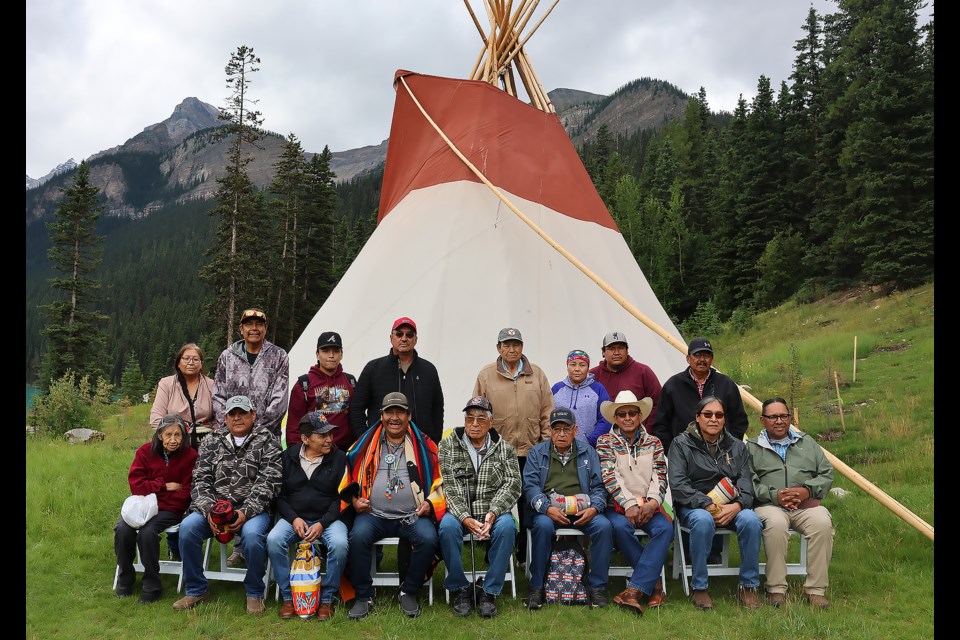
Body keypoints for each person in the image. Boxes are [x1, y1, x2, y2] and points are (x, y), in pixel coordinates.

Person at [172, 395, 282, 614]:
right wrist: (210, 511)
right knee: (187, 529)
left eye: (242, 413)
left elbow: (270, 482)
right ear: (225, 418)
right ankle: (196, 589)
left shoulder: (268, 441)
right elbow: (200, 479)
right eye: (232, 414)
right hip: (214, 509)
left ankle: (254, 592)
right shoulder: (213, 440)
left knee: (251, 536)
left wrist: (245, 512)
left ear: (253, 415)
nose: (237, 418)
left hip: (252, 511)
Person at [342, 392, 445, 620]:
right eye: (390, 412)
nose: (394, 417)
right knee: (357, 537)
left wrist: (429, 503)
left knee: (428, 538)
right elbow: (348, 476)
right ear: (381, 415)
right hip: (374, 514)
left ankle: (408, 590)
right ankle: (363, 595)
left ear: (409, 415)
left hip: (412, 515)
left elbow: (440, 481)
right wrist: (354, 500)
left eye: (400, 412)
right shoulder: (365, 444)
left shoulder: (426, 446)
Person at [667, 396, 763, 610]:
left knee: (751, 520)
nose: (713, 419)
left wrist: (737, 506)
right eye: (707, 414)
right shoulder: (681, 444)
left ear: (724, 419)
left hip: (731, 506)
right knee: (702, 521)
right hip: (695, 505)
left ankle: (748, 586)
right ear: (697, 418)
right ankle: (700, 587)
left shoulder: (737, 447)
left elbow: (747, 485)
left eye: (719, 415)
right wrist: (708, 504)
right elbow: (678, 484)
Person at [473, 327, 553, 564]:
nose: (511, 349)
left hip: (531, 451)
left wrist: (546, 444)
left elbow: (547, 410)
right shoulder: (486, 374)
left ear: (522, 347)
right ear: (498, 348)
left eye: (515, 344)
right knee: (496, 503)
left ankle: (524, 554)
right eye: (506, 345)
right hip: (498, 453)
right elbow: (477, 411)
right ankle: (493, 552)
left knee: (529, 504)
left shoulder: (536, 374)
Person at [438, 396, 521, 619]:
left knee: (507, 527)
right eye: (470, 418)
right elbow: (448, 487)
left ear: (490, 423)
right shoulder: (448, 445)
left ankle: (489, 591)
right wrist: (465, 518)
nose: (474, 423)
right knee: (447, 527)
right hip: (459, 513)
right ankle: (460, 589)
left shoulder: (504, 448)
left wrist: (492, 513)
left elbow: (513, 484)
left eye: (481, 419)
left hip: (492, 513)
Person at [747, 397, 834, 610]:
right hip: (770, 505)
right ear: (762, 420)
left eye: (784, 416)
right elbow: (748, 481)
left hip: (806, 505)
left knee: (822, 522)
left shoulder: (807, 442)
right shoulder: (752, 446)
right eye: (773, 417)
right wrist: (774, 495)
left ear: (790, 418)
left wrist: (807, 490)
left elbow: (826, 473)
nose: (779, 421)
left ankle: (816, 590)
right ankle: (776, 588)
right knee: (776, 525)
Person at [523, 407, 612, 610]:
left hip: (582, 509)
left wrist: (594, 509)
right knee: (543, 526)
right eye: (557, 429)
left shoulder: (588, 452)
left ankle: (596, 588)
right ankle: (537, 587)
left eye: (566, 429)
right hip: (550, 511)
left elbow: (599, 487)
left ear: (575, 430)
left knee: (604, 526)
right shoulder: (537, 453)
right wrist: (546, 508)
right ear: (550, 431)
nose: (561, 434)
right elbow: (530, 487)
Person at [267, 412, 351, 621]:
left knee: (340, 543)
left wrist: (323, 523)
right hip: (294, 519)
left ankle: (327, 599)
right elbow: (279, 495)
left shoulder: (340, 458)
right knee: (274, 540)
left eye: (330, 434)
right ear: (305, 439)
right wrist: (294, 518)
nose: (329, 439)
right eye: (322, 435)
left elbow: (342, 497)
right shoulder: (286, 457)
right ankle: (289, 597)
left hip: (328, 520)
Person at [596, 391, 671, 615]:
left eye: (632, 413)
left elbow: (660, 475)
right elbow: (609, 476)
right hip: (618, 506)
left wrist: (653, 502)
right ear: (615, 418)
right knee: (618, 527)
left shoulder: (654, 442)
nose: (627, 417)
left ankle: (633, 590)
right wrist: (628, 503)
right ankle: (653, 584)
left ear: (640, 416)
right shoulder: (605, 441)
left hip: (649, 505)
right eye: (622, 414)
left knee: (665, 528)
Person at [114, 415, 198, 603]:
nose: (173, 440)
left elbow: (187, 492)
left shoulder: (190, 456)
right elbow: (136, 486)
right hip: (141, 506)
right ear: (160, 435)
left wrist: (156, 492)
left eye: (178, 434)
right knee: (122, 530)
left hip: (169, 509)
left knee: (147, 533)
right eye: (168, 434)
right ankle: (126, 578)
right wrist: (164, 486)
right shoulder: (144, 452)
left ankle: (152, 584)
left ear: (183, 436)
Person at [349, 317, 444, 444]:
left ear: (416, 339)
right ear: (391, 338)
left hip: (420, 446)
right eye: (399, 334)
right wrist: (365, 438)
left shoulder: (429, 370)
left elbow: (437, 407)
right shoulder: (373, 368)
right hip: (381, 446)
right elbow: (356, 408)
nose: (404, 338)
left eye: (409, 335)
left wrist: (434, 438)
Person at [653, 336, 749, 456]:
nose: (702, 359)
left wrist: (730, 448)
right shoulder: (673, 385)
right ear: (688, 358)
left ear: (712, 359)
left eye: (706, 355)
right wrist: (673, 452)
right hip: (685, 456)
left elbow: (739, 421)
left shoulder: (726, 384)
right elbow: (661, 424)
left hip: (721, 455)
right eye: (697, 355)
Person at [212, 307, 290, 439]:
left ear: (265, 328)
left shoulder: (279, 356)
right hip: (231, 436)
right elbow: (218, 396)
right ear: (241, 329)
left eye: (259, 324)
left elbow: (279, 401)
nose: (254, 328)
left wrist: (257, 431)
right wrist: (231, 427)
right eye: (248, 324)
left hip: (267, 437)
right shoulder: (227, 356)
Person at [286, 331, 356, 451]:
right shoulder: (304, 384)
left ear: (341, 354)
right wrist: (294, 452)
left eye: (336, 351)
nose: (331, 355)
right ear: (317, 354)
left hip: (345, 453)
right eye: (325, 351)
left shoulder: (351, 381)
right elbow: (294, 424)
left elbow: (356, 417)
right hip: (314, 453)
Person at [589, 331, 661, 431]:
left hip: (636, 436)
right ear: (603, 352)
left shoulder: (643, 372)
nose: (617, 352)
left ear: (627, 350)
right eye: (611, 348)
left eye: (621, 348)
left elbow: (657, 403)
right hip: (601, 438)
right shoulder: (593, 375)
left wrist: (646, 432)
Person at [149, 343, 216, 447]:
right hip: (174, 442)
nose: (191, 362)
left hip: (207, 441)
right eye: (186, 358)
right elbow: (156, 417)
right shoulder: (166, 384)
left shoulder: (212, 385)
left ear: (201, 364)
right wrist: (174, 435)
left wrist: (210, 434)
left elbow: (221, 417)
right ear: (179, 363)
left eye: (195, 359)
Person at [551, 349, 612, 447]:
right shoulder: (557, 389)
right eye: (573, 364)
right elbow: (547, 416)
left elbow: (606, 418)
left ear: (588, 368)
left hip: (587, 448)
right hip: (559, 447)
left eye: (582, 365)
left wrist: (591, 440)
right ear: (567, 366)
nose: (577, 369)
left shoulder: (598, 389)